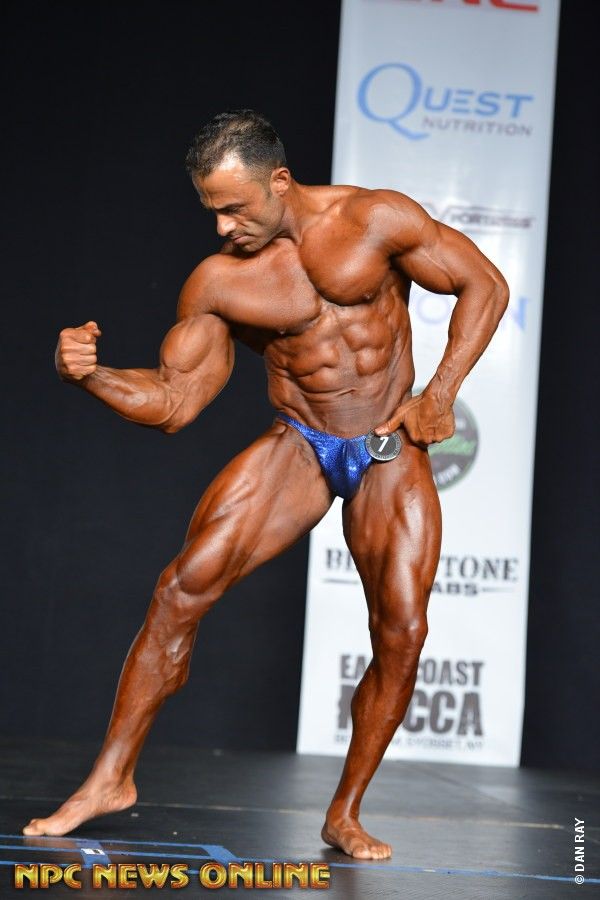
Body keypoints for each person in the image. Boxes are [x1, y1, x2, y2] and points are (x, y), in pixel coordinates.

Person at [23, 110, 508, 859]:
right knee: (180, 588)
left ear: (278, 180)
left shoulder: (375, 219)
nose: (222, 227)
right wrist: (91, 376)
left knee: (403, 632)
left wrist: (441, 391)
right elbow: (176, 403)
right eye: (211, 211)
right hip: (301, 442)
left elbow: (485, 284)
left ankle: (344, 812)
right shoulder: (221, 282)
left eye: (233, 207)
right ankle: (109, 778)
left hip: (387, 443)